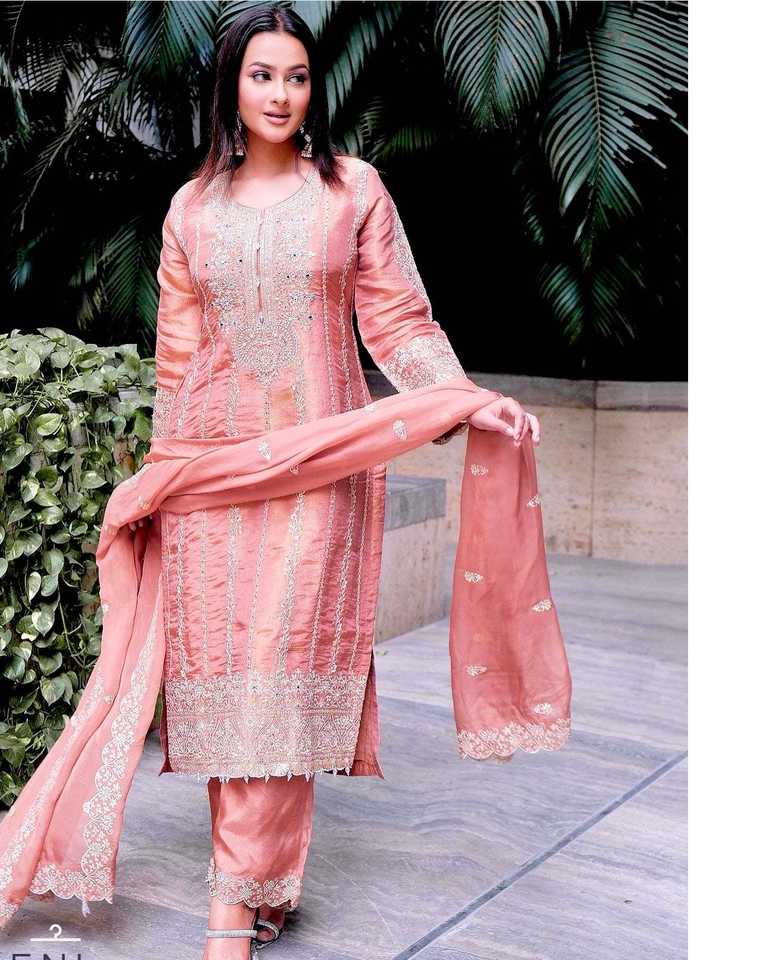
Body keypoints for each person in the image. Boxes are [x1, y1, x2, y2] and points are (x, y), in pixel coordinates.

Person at [129, 7, 542, 958]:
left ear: (315, 89)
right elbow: (176, 360)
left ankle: (229, 917)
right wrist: (161, 477)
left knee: (280, 674)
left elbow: (397, 319)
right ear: (231, 85)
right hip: (214, 474)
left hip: (322, 468)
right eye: (262, 75)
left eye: (298, 77)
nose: (281, 95)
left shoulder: (352, 191)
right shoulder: (191, 210)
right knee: (229, 682)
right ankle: (263, 885)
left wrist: (461, 400)